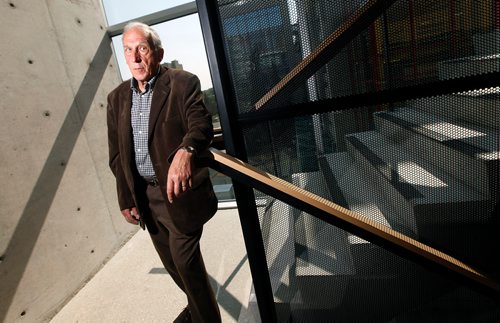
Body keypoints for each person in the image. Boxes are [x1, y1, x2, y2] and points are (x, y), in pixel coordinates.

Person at [107, 21, 221, 323]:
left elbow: (201, 125)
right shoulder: (116, 99)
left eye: (141, 49)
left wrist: (186, 151)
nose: (134, 58)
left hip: (179, 194)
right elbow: (117, 156)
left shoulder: (183, 83)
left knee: (186, 264)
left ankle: (205, 318)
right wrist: (125, 199)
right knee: (172, 265)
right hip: (145, 198)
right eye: (128, 50)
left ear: (157, 52)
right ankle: (195, 311)